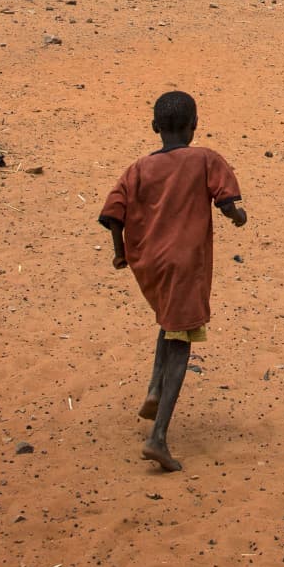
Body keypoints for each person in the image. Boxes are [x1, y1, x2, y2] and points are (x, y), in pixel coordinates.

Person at [99, 90, 246, 472]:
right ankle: (158, 437)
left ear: (154, 127)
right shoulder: (204, 159)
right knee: (182, 342)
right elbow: (226, 201)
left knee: (169, 324)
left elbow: (113, 212)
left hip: (150, 265)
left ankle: (153, 389)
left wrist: (120, 252)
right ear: (194, 126)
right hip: (184, 264)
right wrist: (238, 216)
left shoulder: (137, 170)